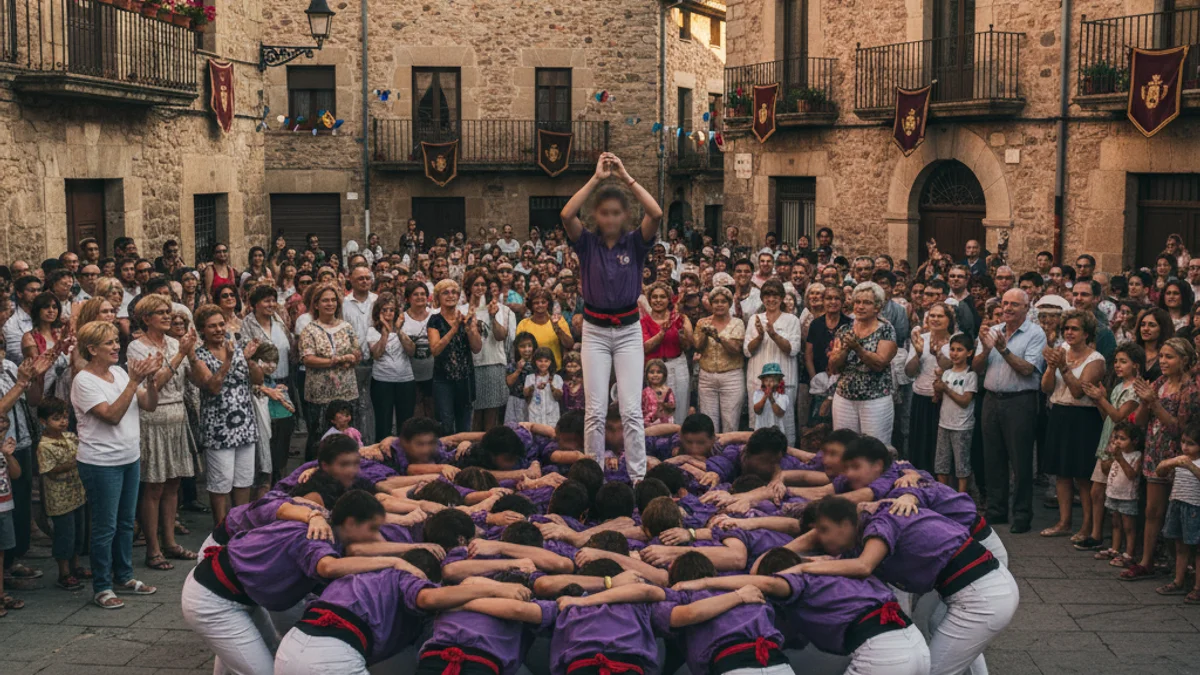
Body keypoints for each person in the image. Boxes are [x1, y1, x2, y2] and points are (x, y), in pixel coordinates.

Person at [560, 151, 662, 483]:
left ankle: (638, 480)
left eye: (617, 213)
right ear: (597, 216)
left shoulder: (635, 243)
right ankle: (593, 476)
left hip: (629, 330)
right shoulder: (586, 243)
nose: (610, 218)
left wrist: (625, 175)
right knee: (595, 411)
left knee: (632, 411)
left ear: (625, 215)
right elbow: (566, 213)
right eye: (604, 213)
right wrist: (597, 179)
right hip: (595, 331)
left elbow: (656, 212)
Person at [71, 320, 162, 609]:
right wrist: (134, 381)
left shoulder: (120, 373)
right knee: (105, 527)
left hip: (129, 458)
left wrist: (149, 379)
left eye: (115, 341)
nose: (116, 347)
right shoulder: (83, 381)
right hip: (100, 464)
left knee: (125, 523)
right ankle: (102, 586)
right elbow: (111, 415)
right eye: (109, 343)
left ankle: (124, 575)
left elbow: (148, 405)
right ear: (92, 348)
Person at [128, 295, 198, 571]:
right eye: (160, 312)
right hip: (153, 417)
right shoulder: (136, 347)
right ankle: (153, 548)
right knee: (154, 485)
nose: (168, 316)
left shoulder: (173, 342)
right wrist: (181, 354)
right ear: (146, 318)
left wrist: (191, 353)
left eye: (168, 312)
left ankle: (170, 541)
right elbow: (153, 383)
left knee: (173, 483)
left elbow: (191, 375)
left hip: (177, 414)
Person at [1126, 338, 1200, 580]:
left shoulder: (1191, 391)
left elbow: (1179, 429)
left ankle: (1180, 565)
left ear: (1185, 360)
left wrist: (1154, 402)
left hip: (1179, 455)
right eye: (1162, 356)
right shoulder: (1159, 382)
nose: (1164, 361)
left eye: (1170, 357)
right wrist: (1146, 402)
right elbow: (1139, 419)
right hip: (1154, 450)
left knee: (1179, 511)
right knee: (1152, 510)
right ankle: (1146, 560)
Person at [974, 289, 1046, 534]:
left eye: (1014, 304)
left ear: (1026, 308)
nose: (1008, 308)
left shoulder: (1035, 333)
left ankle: (1022, 514)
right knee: (992, 458)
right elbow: (975, 367)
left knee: (1021, 459)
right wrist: (985, 349)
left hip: (1020, 401)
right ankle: (996, 510)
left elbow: (1027, 369)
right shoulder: (993, 331)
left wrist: (1004, 350)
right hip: (991, 399)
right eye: (1005, 303)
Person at [190, 304, 263, 527]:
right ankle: (221, 530)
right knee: (221, 483)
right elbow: (212, 386)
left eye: (221, 324)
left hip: (244, 424)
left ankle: (239, 526)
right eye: (212, 326)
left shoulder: (236, 348)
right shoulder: (199, 356)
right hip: (218, 428)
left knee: (243, 480)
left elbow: (258, 379)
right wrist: (229, 360)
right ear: (202, 330)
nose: (219, 329)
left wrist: (250, 359)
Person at [1039, 309, 1106, 541]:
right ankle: (1063, 522)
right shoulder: (1061, 351)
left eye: (1074, 328)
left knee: (1083, 475)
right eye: (1066, 328)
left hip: (1083, 418)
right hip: (1059, 413)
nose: (1069, 333)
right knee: (1062, 473)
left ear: (1086, 333)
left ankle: (1087, 525)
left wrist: (1063, 368)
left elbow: (1079, 392)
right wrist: (1051, 367)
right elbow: (1046, 387)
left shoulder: (1095, 360)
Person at [829, 282, 898, 443]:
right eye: (857, 302)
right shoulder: (845, 330)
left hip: (875, 399)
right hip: (844, 397)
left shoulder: (886, 330)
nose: (860, 306)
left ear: (877, 307)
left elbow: (880, 363)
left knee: (874, 448)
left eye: (866, 302)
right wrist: (845, 349)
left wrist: (858, 348)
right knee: (844, 447)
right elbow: (833, 367)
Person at [300, 284, 362, 459]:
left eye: (333, 300)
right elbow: (307, 358)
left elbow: (357, 352)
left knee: (347, 437)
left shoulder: (347, 327)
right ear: (316, 304)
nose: (330, 304)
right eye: (325, 300)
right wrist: (334, 360)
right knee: (320, 438)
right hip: (320, 394)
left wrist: (353, 357)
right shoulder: (310, 330)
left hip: (346, 392)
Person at [35, 398, 88, 592]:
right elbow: (50, 470)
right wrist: (76, 461)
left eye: (64, 417)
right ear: (43, 421)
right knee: (65, 535)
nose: (63, 422)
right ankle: (64, 572)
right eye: (57, 419)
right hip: (59, 500)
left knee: (78, 534)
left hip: (77, 494)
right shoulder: (44, 445)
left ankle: (76, 566)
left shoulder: (70, 437)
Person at [745, 280, 802, 444]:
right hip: (758, 379)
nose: (771, 299)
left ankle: (787, 462)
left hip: (785, 381)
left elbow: (793, 349)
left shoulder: (792, 320)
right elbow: (747, 351)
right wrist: (760, 336)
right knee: (760, 423)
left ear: (782, 298)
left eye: (775, 295)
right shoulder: (755, 319)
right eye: (767, 295)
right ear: (762, 298)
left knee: (784, 423)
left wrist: (773, 334)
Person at [428, 278, 483, 434]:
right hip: (443, 380)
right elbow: (435, 350)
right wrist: (454, 329)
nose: (450, 295)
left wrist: (470, 329)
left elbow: (477, 348)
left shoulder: (466, 317)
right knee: (445, 424)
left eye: (454, 292)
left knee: (464, 425)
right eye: (445, 292)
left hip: (465, 378)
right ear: (438, 297)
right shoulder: (435, 320)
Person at [905, 302, 954, 472]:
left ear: (949, 319)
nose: (935, 319)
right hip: (921, 398)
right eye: (932, 315)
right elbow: (909, 372)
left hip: (946, 400)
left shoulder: (956, 340)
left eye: (940, 316)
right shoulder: (921, 339)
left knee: (940, 449)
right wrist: (918, 354)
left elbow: (952, 366)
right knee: (920, 447)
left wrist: (938, 354)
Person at [462, 268, 512, 431]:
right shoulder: (461, 310)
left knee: (492, 415)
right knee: (474, 415)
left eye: (483, 284)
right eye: (476, 284)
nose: (480, 288)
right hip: (472, 365)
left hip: (493, 363)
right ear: (469, 287)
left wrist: (492, 317)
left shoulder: (499, 309)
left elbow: (501, 336)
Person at [695, 286, 746, 433]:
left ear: (729, 304)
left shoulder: (737, 323)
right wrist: (705, 334)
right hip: (707, 376)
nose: (719, 304)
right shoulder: (702, 322)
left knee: (730, 421)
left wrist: (718, 337)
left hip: (731, 377)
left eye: (723, 301)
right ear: (710, 304)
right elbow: (698, 347)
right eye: (715, 301)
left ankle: (729, 453)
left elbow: (736, 349)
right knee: (708, 422)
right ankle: (711, 453)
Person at [641, 281, 693, 425]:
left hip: (677, 363)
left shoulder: (679, 318)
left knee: (680, 404)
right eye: (655, 297)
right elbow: (645, 347)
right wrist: (662, 333)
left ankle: (678, 438)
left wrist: (683, 332)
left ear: (669, 299)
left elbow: (689, 344)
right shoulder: (644, 322)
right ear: (649, 300)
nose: (658, 300)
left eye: (662, 297)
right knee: (654, 408)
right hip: (654, 369)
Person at [367, 292, 416, 441]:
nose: (388, 313)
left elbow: (411, 351)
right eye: (384, 310)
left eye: (391, 310)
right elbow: (377, 354)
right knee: (383, 423)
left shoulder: (404, 327)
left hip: (405, 380)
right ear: (378, 312)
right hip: (382, 380)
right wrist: (385, 332)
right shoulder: (372, 330)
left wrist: (398, 330)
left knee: (406, 424)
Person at [933, 333, 978, 492]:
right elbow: (937, 399)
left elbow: (965, 401)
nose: (955, 353)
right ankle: (944, 495)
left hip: (962, 426)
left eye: (960, 350)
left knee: (961, 465)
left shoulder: (970, 375)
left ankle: (962, 497)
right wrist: (937, 389)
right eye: (952, 349)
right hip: (944, 423)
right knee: (941, 464)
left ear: (969, 353)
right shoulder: (946, 373)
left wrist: (946, 388)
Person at [343, 265, 378, 444]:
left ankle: (374, 442)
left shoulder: (377, 301)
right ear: (351, 280)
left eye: (367, 278)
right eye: (360, 278)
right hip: (353, 364)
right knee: (356, 406)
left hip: (377, 361)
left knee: (374, 406)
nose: (365, 281)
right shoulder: (343, 303)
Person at [1102, 421, 1144, 569]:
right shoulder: (1116, 454)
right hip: (1113, 493)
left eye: (1122, 438)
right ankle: (1115, 548)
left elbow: (1132, 474)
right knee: (1115, 523)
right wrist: (1108, 457)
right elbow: (1106, 470)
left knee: (1128, 526)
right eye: (1116, 438)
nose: (1118, 441)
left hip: (1127, 496)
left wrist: (1120, 458)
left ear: (1134, 441)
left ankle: (1129, 553)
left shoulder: (1136, 455)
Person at [516, 287, 574, 373]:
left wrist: (557, 329)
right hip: (531, 372)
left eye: (543, 302)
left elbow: (569, 344)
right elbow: (518, 350)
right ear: (531, 305)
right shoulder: (523, 324)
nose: (540, 305)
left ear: (548, 303)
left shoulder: (559, 320)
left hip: (555, 371)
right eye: (536, 303)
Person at [525, 346, 563, 427]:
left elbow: (559, 396)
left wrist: (551, 386)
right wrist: (534, 386)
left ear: (551, 362)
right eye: (540, 361)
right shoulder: (530, 377)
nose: (543, 364)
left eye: (546, 361)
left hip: (552, 416)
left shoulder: (557, 378)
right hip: (535, 415)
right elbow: (525, 393)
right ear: (535, 362)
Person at [751, 362, 790, 434]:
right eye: (766, 381)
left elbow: (780, 413)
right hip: (761, 431)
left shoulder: (782, 396)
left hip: (777, 433)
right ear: (762, 381)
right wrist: (765, 397)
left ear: (779, 382)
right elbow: (757, 411)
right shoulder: (758, 394)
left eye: (772, 381)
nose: (768, 384)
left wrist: (771, 399)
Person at [641, 358, 675, 426]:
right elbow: (641, 409)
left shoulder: (668, 390)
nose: (655, 375)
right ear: (646, 375)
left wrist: (664, 405)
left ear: (664, 374)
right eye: (652, 372)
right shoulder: (645, 392)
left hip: (666, 423)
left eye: (659, 372)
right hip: (649, 424)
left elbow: (672, 407)